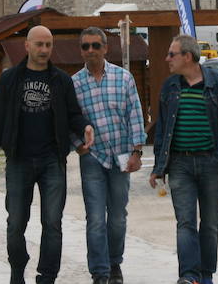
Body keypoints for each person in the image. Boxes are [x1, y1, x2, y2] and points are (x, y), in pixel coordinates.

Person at [0, 25, 95, 284]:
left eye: (48, 45)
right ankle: (17, 270)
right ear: (27, 46)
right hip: (19, 160)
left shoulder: (61, 80)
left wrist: (85, 126)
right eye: (39, 44)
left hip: (52, 161)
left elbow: (73, 114)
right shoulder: (10, 79)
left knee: (53, 223)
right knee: (15, 223)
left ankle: (47, 276)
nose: (44, 50)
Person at [149, 35, 218, 284]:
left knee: (210, 224)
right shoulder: (170, 87)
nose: (167, 59)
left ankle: (206, 275)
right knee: (185, 223)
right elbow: (161, 131)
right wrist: (158, 167)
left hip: (210, 163)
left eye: (172, 54)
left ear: (187, 57)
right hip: (179, 164)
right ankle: (189, 276)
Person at [71, 27, 146, 284]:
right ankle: (100, 272)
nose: (90, 50)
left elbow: (135, 114)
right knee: (94, 218)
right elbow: (70, 119)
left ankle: (115, 264)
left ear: (105, 48)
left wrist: (137, 152)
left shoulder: (124, 78)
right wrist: (78, 144)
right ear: (81, 50)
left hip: (121, 155)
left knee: (117, 217)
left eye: (95, 45)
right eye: (85, 46)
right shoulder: (75, 83)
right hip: (92, 157)